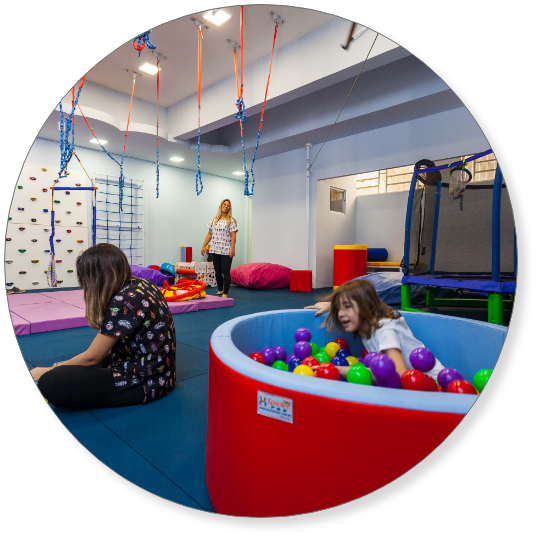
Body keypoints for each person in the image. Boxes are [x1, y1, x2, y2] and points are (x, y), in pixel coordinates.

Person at [30, 243, 176, 408]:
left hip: (145, 382)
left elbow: (93, 357)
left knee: (50, 382)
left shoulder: (124, 301)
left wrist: (50, 370)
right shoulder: (141, 283)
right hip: (163, 375)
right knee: (79, 364)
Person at [304, 279, 444, 382]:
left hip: (433, 385)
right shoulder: (366, 322)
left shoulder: (385, 330)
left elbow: (398, 374)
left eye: (346, 306)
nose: (340, 314)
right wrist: (332, 305)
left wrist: (343, 370)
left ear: (366, 307)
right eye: (339, 308)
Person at [201, 198, 238, 298]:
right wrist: (204, 245)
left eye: (228, 205)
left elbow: (233, 235)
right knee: (217, 271)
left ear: (229, 208)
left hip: (226, 250)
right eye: (224, 204)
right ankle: (220, 290)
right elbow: (209, 234)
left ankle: (225, 293)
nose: (226, 206)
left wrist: (232, 248)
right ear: (221, 206)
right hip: (215, 249)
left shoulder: (231, 221)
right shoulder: (214, 220)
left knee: (225, 271)